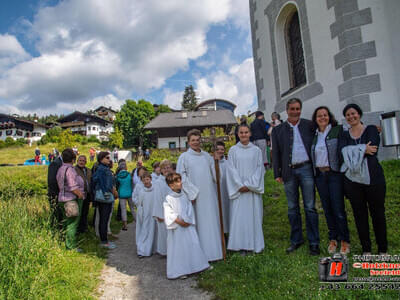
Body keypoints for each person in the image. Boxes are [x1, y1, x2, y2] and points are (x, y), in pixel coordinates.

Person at [272, 98, 320, 256]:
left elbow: (326, 130)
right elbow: (276, 153)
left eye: (298, 108)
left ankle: (314, 242)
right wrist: (277, 173)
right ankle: (296, 240)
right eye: (292, 108)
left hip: (306, 168)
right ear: (287, 110)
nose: (295, 111)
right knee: (293, 208)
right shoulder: (278, 130)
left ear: (300, 109)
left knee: (310, 207)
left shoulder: (309, 125)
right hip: (289, 171)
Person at [339, 103, 387, 255]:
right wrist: (361, 149)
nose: (351, 116)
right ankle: (366, 249)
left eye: (353, 113)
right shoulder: (344, 134)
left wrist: (352, 151)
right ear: (345, 118)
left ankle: (382, 249)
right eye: (348, 115)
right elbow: (342, 153)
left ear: (359, 114)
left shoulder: (371, 129)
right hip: (352, 181)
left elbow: (372, 149)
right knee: (359, 215)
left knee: (377, 213)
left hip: (374, 179)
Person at [177, 129, 223, 261]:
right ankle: (199, 254)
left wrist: (216, 162)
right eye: (193, 140)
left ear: (201, 140)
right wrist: (192, 192)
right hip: (195, 197)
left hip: (209, 196)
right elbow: (181, 177)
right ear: (188, 142)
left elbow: (216, 178)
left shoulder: (207, 157)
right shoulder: (184, 157)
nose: (196, 142)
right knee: (198, 224)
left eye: (198, 140)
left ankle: (214, 253)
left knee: (210, 223)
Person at [310, 106, 350, 255]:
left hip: (334, 174)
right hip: (320, 176)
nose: (322, 118)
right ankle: (333, 238)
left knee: (338, 209)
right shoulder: (314, 135)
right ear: (315, 119)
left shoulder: (337, 130)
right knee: (327, 209)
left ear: (329, 116)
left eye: (325, 115)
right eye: (319, 116)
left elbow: (351, 136)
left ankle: (345, 240)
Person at [226, 125, 265, 255]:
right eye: (241, 132)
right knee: (240, 218)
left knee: (253, 217)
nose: (243, 134)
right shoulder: (233, 150)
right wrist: (239, 185)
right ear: (238, 134)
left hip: (251, 191)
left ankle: (254, 245)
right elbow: (230, 169)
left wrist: (249, 185)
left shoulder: (256, 150)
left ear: (250, 133)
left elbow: (260, 169)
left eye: (246, 132)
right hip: (239, 191)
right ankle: (240, 245)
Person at [163, 173, 210, 279]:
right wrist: (179, 222)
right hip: (177, 228)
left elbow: (189, 208)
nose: (180, 183)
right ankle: (180, 271)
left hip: (188, 226)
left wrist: (188, 221)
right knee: (179, 249)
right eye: (178, 181)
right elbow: (169, 213)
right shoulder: (168, 198)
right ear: (171, 185)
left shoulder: (184, 195)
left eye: (180, 180)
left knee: (193, 244)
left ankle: (197, 266)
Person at [56, 148, 84, 250]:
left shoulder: (60, 169)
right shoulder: (70, 170)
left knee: (66, 222)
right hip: (70, 199)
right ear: (73, 159)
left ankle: (64, 242)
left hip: (61, 199)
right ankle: (71, 246)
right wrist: (80, 195)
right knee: (72, 224)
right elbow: (73, 187)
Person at [92, 151, 118, 249]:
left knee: (102, 218)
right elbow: (108, 185)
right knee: (104, 219)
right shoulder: (105, 170)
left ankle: (103, 239)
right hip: (106, 196)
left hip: (99, 196)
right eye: (107, 157)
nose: (109, 159)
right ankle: (104, 241)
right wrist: (113, 192)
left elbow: (94, 181)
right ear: (101, 159)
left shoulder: (98, 169)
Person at [133, 171, 157, 257]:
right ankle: (142, 250)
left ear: (150, 179)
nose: (146, 181)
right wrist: (140, 210)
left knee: (153, 231)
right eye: (144, 180)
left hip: (153, 213)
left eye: (147, 179)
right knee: (144, 231)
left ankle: (152, 248)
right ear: (142, 181)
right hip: (144, 214)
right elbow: (138, 201)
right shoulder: (141, 191)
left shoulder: (155, 189)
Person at [152, 159, 172, 256]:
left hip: (173, 210)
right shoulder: (158, 182)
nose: (166, 170)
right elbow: (157, 199)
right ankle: (165, 251)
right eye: (164, 168)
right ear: (161, 169)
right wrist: (159, 214)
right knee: (164, 232)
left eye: (168, 167)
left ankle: (172, 250)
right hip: (163, 211)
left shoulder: (173, 179)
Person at [213, 141, 230, 235]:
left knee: (226, 212)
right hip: (215, 192)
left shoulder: (228, 163)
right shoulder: (211, 163)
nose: (220, 151)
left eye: (222, 149)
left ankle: (226, 233)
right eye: (217, 149)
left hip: (226, 192)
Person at [75, 155, 92, 234]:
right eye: (80, 160)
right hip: (79, 194)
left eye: (83, 161)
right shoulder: (74, 170)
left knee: (85, 212)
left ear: (86, 162)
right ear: (77, 161)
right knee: (79, 212)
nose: (81, 162)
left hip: (87, 194)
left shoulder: (88, 170)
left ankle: (84, 228)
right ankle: (78, 229)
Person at [116, 162, 134, 231]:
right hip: (129, 193)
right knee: (132, 208)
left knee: (123, 209)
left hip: (121, 194)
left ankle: (125, 225)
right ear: (126, 167)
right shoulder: (129, 175)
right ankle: (137, 222)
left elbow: (117, 185)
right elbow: (132, 184)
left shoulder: (118, 176)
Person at [47, 153, 63, 228]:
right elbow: (51, 181)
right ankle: (56, 232)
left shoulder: (62, 163)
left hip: (61, 195)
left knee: (61, 215)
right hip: (55, 194)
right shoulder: (55, 163)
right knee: (57, 215)